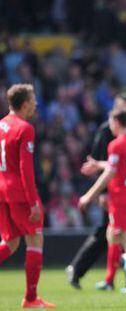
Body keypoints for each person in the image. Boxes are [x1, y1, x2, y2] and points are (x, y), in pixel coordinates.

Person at [65, 94, 126, 289]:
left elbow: (112, 169)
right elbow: (115, 164)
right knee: (111, 235)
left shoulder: (116, 142)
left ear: (116, 120)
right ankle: (110, 280)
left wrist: (90, 196)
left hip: (119, 195)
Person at [0, 84, 56, 308]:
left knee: (10, 243)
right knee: (35, 239)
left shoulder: (1, 124)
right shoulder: (24, 128)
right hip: (19, 192)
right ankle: (31, 298)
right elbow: (26, 168)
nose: (36, 104)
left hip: (1, 189)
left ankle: (31, 298)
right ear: (24, 104)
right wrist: (33, 202)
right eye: (33, 100)